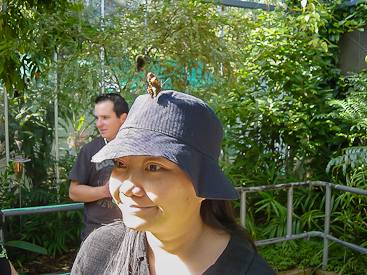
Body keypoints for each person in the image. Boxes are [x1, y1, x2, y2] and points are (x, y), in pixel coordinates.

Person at [71, 74, 276, 274]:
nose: (127, 188)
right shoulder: (100, 251)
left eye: (153, 167)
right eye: (121, 164)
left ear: (204, 183)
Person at [68, 93, 129, 241]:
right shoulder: (90, 150)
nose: (98, 124)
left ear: (123, 118)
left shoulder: (140, 150)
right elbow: (74, 192)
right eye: (97, 118)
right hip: (96, 234)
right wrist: (104, 191)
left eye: (105, 118)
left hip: (132, 233)